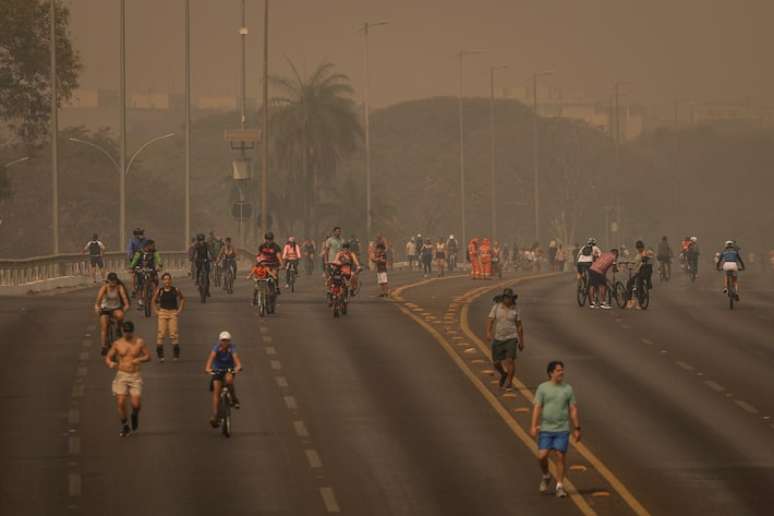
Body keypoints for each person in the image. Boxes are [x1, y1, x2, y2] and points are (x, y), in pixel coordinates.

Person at [530, 361, 581, 499]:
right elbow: (537, 407)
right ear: (551, 373)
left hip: (562, 429)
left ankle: (560, 486)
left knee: (560, 456)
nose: (561, 373)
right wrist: (533, 425)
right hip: (546, 429)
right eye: (558, 370)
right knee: (542, 456)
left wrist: (577, 428)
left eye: (562, 370)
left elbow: (573, 409)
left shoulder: (567, 389)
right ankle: (546, 475)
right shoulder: (542, 388)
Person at [105, 321, 151, 437]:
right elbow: (108, 357)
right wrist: (112, 364)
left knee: (136, 404)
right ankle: (125, 426)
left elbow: (148, 356)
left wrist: (139, 359)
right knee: (120, 402)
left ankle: (134, 414)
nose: (127, 334)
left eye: (129, 332)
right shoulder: (117, 344)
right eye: (125, 332)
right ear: (123, 331)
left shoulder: (139, 342)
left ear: (132, 331)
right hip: (122, 375)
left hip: (135, 376)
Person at [485, 288, 524, 391]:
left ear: (512, 299)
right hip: (498, 338)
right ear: (503, 298)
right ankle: (503, 373)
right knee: (496, 362)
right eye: (506, 297)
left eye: (510, 298)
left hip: (511, 338)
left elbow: (519, 325)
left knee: (510, 360)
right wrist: (488, 332)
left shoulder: (515, 309)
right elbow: (490, 320)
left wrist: (521, 341)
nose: (508, 300)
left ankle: (510, 383)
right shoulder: (496, 307)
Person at [205, 331, 243, 427]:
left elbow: (237, 360)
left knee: (229, 380)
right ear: (220, 341)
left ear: (229, 341)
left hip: (228, 369)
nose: (225, 342)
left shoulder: (232, 348)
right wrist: (208, 369)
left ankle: (234, 399)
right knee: (216, 391)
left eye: (226, 341)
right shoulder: (216, 348)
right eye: (223, 340)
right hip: (217, 370)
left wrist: (238, 367)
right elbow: (210, 360)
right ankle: (215, 415)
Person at [95, 272, 130, 355]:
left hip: (115, 308)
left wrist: (125, 308)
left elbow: (125, 301)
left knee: (120, 316)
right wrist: (97, 309)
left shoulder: (119, 287)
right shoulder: (104, 288)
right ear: (108, 281)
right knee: (104, 326)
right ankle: (103, 346)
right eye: (111, 281)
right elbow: (98, 302)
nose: (113, 283)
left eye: (114, 281)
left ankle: (118, 328)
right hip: (105, 309)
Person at [152, 272, 185, 361]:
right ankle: (160, 355)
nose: (167, 281)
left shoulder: (175, 290)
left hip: (173, 312)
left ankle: (176, 354)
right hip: (163, 312)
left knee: (173, 333)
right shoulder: (160, 291)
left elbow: (182, 299)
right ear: (162, 281)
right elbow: (153, 300)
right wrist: (156, 311)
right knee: (161, 334)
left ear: (171, 280)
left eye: (168, 279)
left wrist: (179, 310)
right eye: (165, 279)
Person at [129, 239, 163, 306]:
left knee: (155, 282)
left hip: (151, 269)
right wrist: (131, 267)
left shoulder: (154, 252)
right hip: (141, 269)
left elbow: (158, 258)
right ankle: (140, 300)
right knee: (139, 285)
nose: (154, 247)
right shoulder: (139, 252)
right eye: (153, 246)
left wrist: (160, 265)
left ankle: (156, 297)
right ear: (147, 246)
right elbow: (135, 260)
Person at [625, 240, 652, 309]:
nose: (639, 249)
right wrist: (630, 263)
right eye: (638, 248)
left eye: (640, 247)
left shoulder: (645, 253)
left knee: (633, 284)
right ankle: (631, 300)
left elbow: (644, 261)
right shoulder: (640, 254)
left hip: (641, 273)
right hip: (642, 272)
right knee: (631, 284)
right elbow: (635, 262)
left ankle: (634, 302)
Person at [126, 228, 147, 294]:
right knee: (134, 274)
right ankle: (133, 289)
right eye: (139, 234)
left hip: (143, 259)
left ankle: (146, 286)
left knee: (146, 272)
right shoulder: (132, 241)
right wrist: (131, 257)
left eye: (141, 233)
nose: (140, 235)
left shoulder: (145, 240)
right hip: (135, 259)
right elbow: (130, 250)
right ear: (135, 234)